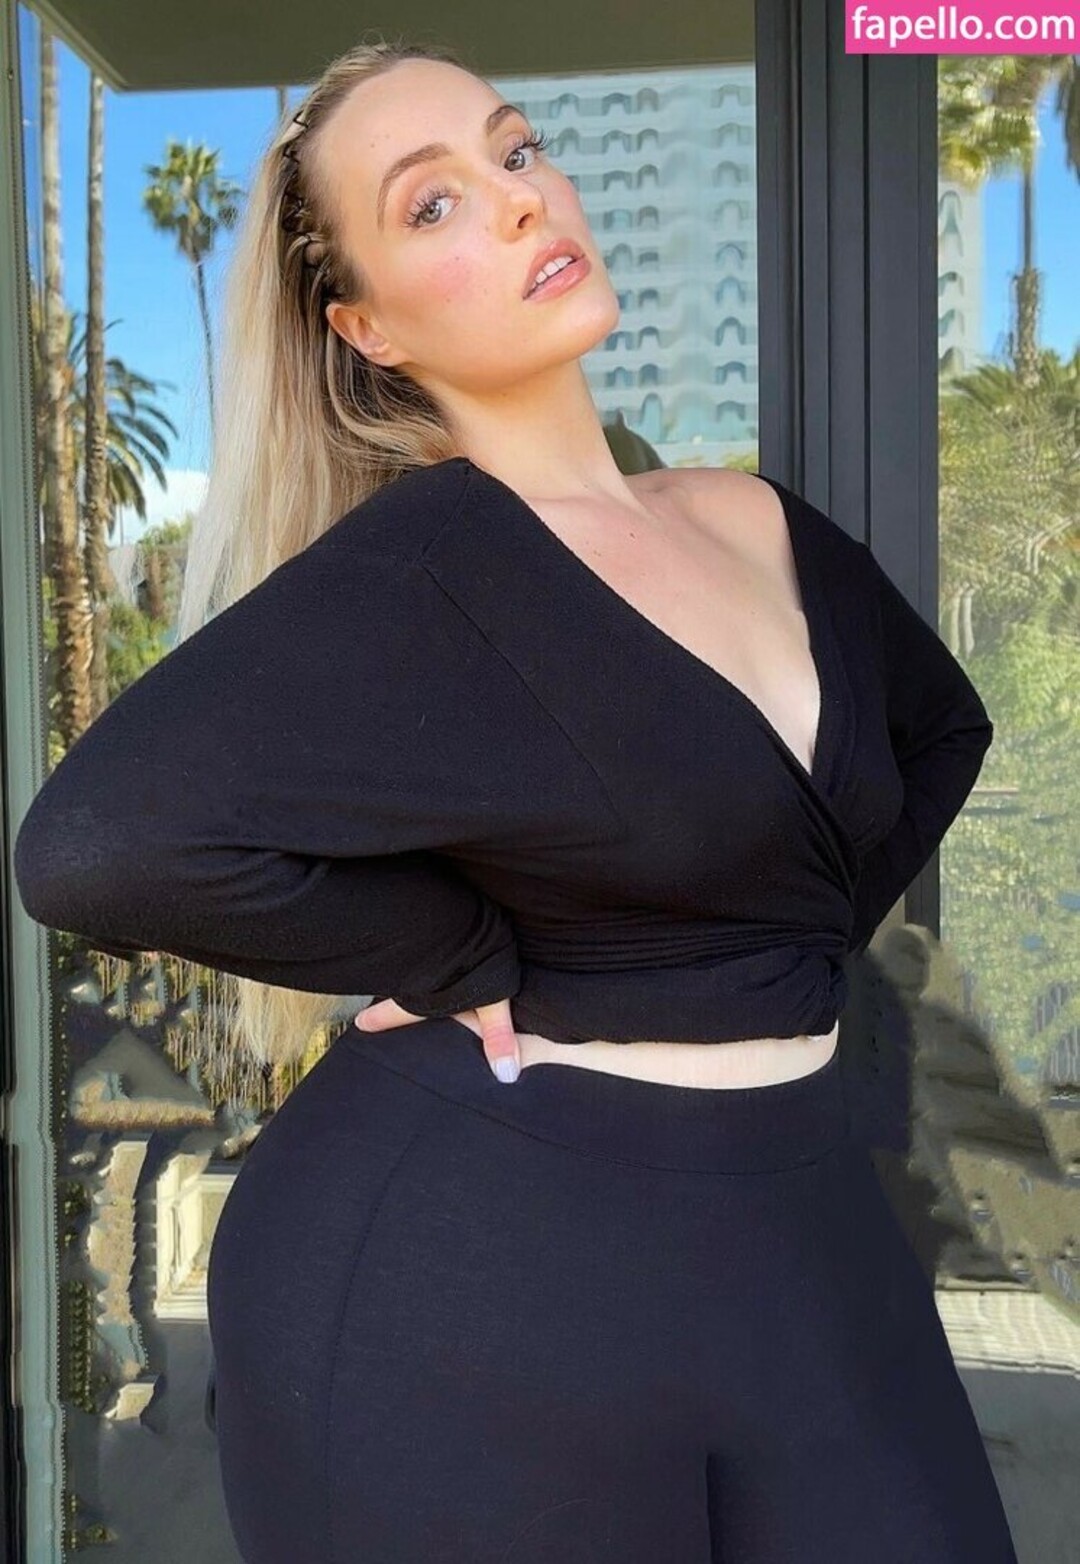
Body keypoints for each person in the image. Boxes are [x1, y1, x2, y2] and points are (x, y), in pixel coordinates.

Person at [13, 36, 1019, 1564]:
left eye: (517, 149)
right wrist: (463, 954)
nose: (523, 199)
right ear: (367, 326)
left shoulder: (752, 516)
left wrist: (777, 946)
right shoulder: (419, 573)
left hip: (804, 1227)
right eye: (433, 204)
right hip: (471, 1271)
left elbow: (942, 730)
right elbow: (92, 848)